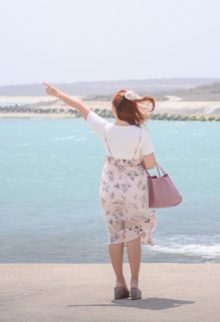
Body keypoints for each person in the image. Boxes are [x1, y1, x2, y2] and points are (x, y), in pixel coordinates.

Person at [43, 82, 158, 301]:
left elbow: (80, 106)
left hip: (109, 188)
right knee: (133, 235)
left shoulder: (105, 129)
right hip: (134, 190)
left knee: (114, 235)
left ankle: (118, 283)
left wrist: (56, 93)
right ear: (132, 110)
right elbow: (151, 164)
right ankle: (134, 284)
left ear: (114, 110)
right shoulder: (141, 135)